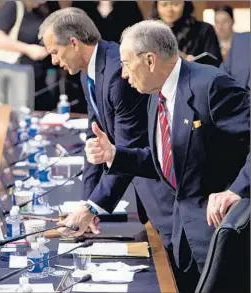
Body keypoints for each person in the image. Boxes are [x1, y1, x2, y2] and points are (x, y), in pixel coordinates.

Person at [82, 20, 249, 292]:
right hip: (183, 235)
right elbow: (166, 162)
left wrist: (236, 190)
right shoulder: (155, 95)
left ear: (150, 60)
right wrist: (115, 154)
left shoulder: (211, 85)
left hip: (220, 238)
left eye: (126, 63)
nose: (124, 74)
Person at [38, 7, 174, 252]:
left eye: (55, 52)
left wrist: (91, 208)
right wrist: (88, 202)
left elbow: (126, 147)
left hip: (161, 190)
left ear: (74, 43)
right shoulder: (86, 71)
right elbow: (95, 139)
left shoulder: (116, 73)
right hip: (139, 181)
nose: (54, 61)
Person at [0, 1, 57, 111]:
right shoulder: (14, 5)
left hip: (39, 79)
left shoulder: (42, 9)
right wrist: (28, 49)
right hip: (16, 81)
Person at [149, 1, 222, 67]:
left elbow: (215, 64)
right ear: (156, 6)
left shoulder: (204, 29)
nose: (169, 9)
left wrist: (194, 65)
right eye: (164, 5)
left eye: (175, 4)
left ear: (185, 4)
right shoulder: (149, 31)